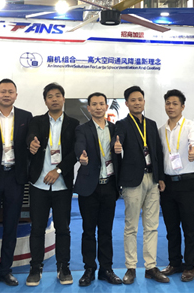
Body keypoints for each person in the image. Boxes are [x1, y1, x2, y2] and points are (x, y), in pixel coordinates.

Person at [0, 79, 33, 289]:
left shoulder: (26, 117)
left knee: (11, 226)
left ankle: (5, 270)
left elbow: (30, 142)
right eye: (3, 91)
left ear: (16, 95)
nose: (7, 95)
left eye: (11, 91)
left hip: (15, 178)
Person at [25, 83, 79, 287]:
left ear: (63, 99)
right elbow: (30, 137)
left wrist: (58, 170)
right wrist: (31, 143)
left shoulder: (74, 124)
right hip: (39, 184)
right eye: (50, 96)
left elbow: (74, 152)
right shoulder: (36, 121)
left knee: (63, 229)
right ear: (45, 100)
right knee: (37, 228)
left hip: (62, 185)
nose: (54, 99)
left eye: (58, 95)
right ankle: (35, 268)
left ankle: (63, 267)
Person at [113, 86, 168, 284]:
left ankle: (151, 267)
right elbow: (117, 142)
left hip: (152, 179)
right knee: (131, 226)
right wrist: (117, 145)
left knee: (152, 226)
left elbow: (157, 152)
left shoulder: (151, 124)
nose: (137, 103)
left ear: (144, 102)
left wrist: (160, 177)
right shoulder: (122, 124)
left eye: (140, 99)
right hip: (132, 181)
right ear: (127, 103)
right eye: (133, 100)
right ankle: (131, 267)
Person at [74, 92, 122, 287]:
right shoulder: (82, 129)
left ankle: (106, 269)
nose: (98, 107)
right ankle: (89, 269)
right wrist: (80, 156)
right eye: (94, 104)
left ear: (106, 107)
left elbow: (122, 150)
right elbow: (79, 145)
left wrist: (120, 149)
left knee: (106, 230)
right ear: (89, 108)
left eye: (101, 104)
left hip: (109, 185)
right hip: (89, 187)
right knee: (88, 230)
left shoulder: (115, 128)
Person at [158, 89, 194, 282]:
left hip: (186, 182)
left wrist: (193, 151)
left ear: (182, 107)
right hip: (167, 184)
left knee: (189, 227)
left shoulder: (191, 126)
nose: (171, 107)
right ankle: (174, 263)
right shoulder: (161, 130)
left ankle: (189, 266)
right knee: (171, 227)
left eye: (175, 103)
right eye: (168, 103)